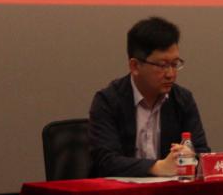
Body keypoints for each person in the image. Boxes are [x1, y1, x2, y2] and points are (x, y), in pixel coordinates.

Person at [88, 16, 210, 177]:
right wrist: (157, 167)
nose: (171, 74)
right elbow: (105, 161)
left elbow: (202, 154)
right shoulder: (108, 100)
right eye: (162, 65)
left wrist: (190, 156)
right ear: (135, 66)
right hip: (119, 190)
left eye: (175, 64)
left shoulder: (182, 100)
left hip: (170, 190)